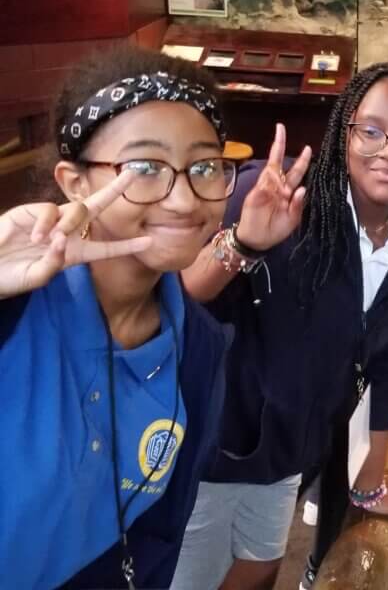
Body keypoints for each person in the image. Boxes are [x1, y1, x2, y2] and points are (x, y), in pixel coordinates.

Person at [172, 64, 388, 590]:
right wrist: (245, 242)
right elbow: (177, 303)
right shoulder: (276, 196)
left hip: (292, 450)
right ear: (345, 131)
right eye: (372, 131)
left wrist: (367, 484)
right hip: (213, 446)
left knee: (258, 568)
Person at [0, 47, 231, 589]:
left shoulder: (197, 347)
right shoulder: (13, 314)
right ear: (75, 182)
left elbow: (158, 532)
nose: (182, 199)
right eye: (145, 168)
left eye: (204, 167)